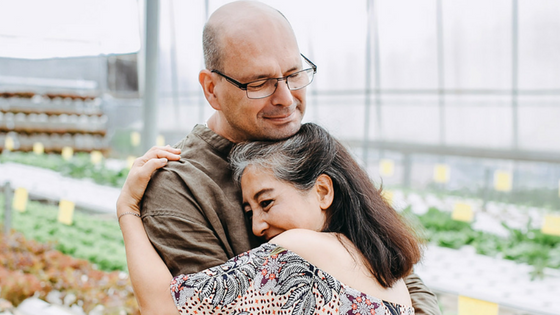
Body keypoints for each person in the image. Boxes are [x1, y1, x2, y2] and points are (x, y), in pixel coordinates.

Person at [134, 1, 440, 314]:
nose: (285, 99)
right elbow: (197, 305)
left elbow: (390, 262)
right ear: (212, 89)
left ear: (323, 190)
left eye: (294, 75)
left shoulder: (300, 143)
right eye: (260, 83)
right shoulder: (179, 184)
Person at [118, 123, 422, 315]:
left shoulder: (299, 250)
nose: (257, 226)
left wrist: (127, 209)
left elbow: (164, 308)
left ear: (322, 191)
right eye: (249, 211)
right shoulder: (395, 282)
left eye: (266, 202)